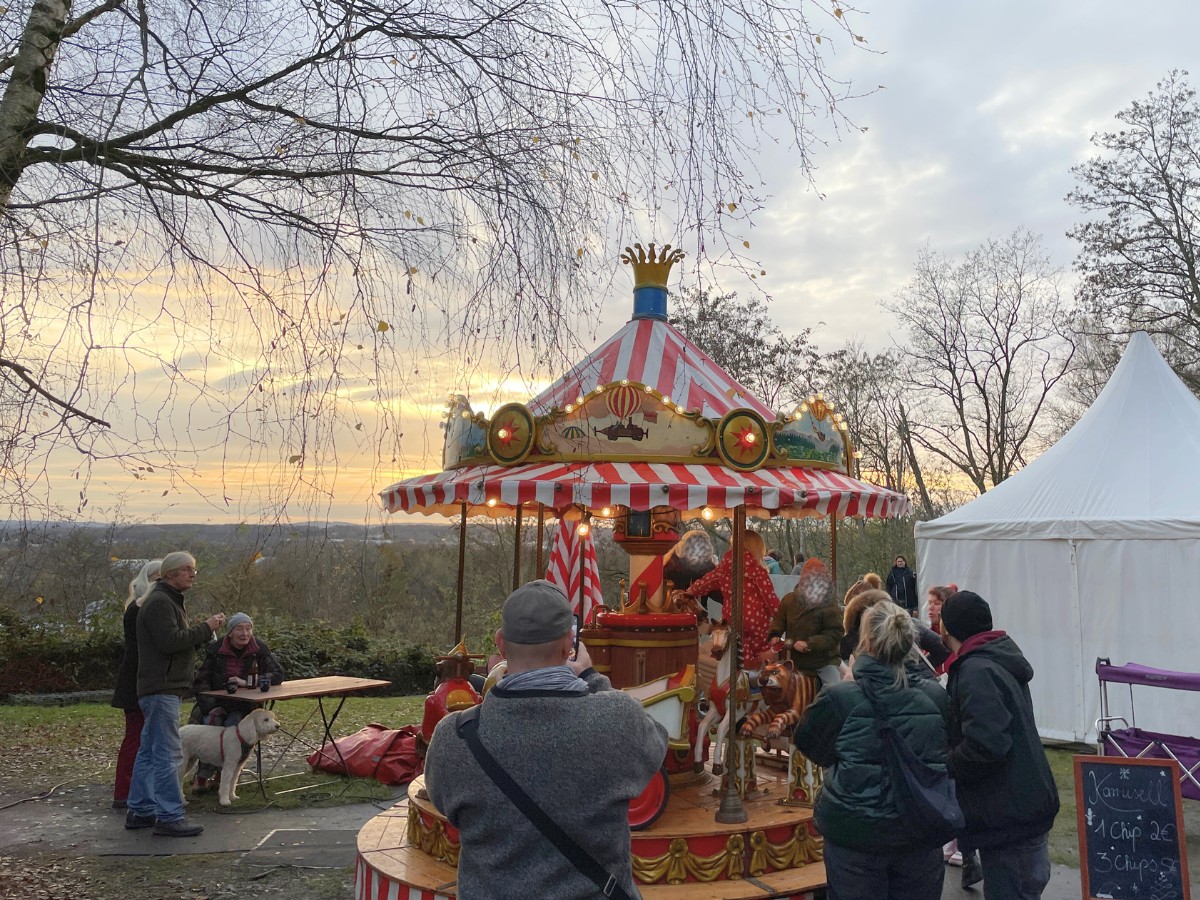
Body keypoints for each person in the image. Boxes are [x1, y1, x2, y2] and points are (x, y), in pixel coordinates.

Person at [425, 580, 668, 899]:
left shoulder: (454, 737)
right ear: (570, 643)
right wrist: (591, 677)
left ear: (500, 644)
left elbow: (445, 803)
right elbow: (656, 746)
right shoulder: (618, 720)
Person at [793, 601, 951, 899]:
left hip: (857, 834)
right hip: (919, 826)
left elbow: (808, 742)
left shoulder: (840, 698)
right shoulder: (935, 697)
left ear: (864, 642)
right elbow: (947, 748)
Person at [941, 591, 1060, 899]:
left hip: (1009, 816)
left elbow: (987, 745)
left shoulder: (977, 671)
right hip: (1020, 808)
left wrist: (945, 763)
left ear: (949, 628)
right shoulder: (995, 658)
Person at [124, 552, 224, 837]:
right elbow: (170, 642)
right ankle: (169, 815)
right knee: (168, 753)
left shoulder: (167, 601)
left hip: (160, 687)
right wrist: (206, 629)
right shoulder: (160, 603)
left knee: (149, 750)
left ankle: (141, 810)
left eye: (194, 569)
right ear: (170, 574)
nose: (193, 574)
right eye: (187, 570)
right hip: (161, 688)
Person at [190, 612, 285, 790]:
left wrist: (249, 682)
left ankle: (223, 776)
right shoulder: (216, 650)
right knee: (212, 724)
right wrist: (210, 706)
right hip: (215, 703)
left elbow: (278, 674)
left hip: (245, 706)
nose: (245, 634)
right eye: (240, 629)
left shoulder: (259, 649)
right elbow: (201, 682)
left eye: (248, 629)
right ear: (230, 632)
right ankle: (202, 777)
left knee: (235, 726)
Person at [110, 559, 162, 810]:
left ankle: (131, 790)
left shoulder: (138, 606)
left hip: (138, 681)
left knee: (139, 738)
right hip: (137, 683)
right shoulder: (139, 609)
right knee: (136, 739)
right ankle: (126, 790)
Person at [684, 530, 780, 662]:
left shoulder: (724, 568)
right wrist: (780, 616)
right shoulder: (757, 571)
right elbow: (769, 598)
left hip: (731, 618)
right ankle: (752, 674)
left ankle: (738, 675)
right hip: (756, 621)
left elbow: (706, 582)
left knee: (735, 655)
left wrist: (690, 591)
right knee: (758, 657)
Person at [767, 558, 844, 686]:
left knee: (834, 688)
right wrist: (775, 635)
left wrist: (809, 644)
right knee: (770, 681)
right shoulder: (789, 600)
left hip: (823, 661)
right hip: (793, 659)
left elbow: (834, 633)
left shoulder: (830, 604)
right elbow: (778, 620)